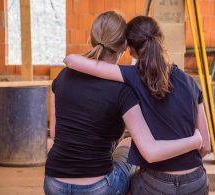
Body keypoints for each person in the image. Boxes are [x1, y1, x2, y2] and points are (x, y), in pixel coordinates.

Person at [45, 11, 203, 195]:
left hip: (53, 183)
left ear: (92, 37)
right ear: (125, 45)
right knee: (129, 144)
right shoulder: (124, 88)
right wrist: (194, 140)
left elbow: (55, 134)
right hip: (99, 187)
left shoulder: (63, 77)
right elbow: (150, 150)